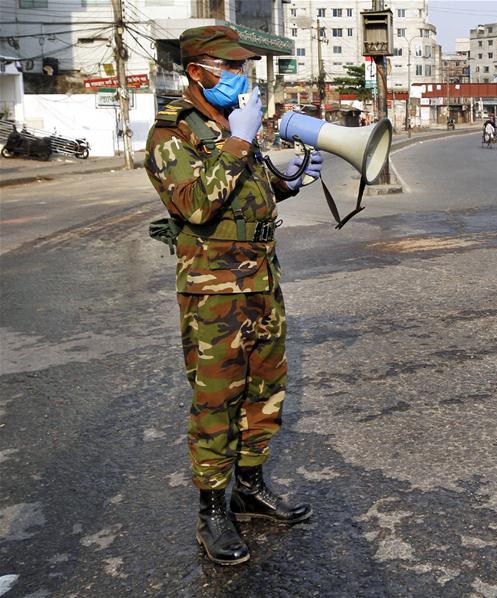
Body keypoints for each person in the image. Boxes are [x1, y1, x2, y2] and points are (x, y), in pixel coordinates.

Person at [144, 26, 321, 566]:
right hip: (214, 292)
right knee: (217, 399)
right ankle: (211, 511)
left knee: (265, 389)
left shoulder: (228, 126)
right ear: (198, 70)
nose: (242, 76)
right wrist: (242, 142)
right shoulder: (171, 134)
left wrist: (285, 181)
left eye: (244, 66)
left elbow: (245, 195)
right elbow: (197, 205)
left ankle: (249, 487)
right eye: (232, 67)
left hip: (262, 282)